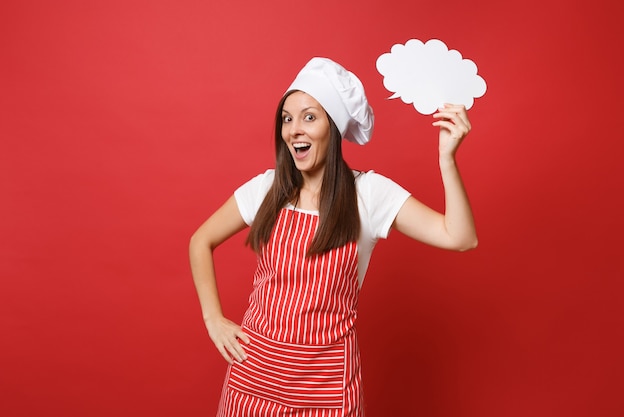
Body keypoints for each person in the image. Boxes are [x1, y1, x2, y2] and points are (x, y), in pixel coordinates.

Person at [189, 57, 478, 417]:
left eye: (309, 117)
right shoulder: (267, 188)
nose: (295, 129)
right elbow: (200, 240)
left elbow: (460, 237)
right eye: (287, 118)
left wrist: (447, 159)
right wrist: (213, 319)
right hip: (254, 379)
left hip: (325, 389)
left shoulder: (368, 194)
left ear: (334, 128)